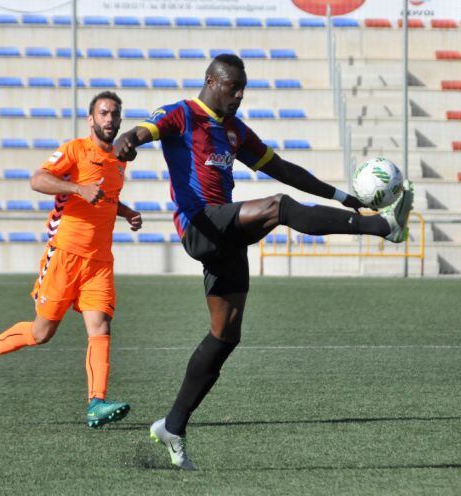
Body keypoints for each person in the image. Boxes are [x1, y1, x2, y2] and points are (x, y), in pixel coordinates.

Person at [113, 54, 413, 469]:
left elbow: (285, 169)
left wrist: (345, 197)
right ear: (211, 81)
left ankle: (174, 425)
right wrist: (128, 139)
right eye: (233, 87)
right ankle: (384, 228)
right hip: (201, 226)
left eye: (242, 89)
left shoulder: (233, 131)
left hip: (227, 237)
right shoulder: (183, 114)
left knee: (225, 335)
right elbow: (146, 129)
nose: (238, 95)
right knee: (278, 208)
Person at [0, 91, 142, 428]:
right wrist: (77, 188)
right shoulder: (75, 150)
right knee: (42, 332)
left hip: (99, 262)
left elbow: (105, 198)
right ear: (91, 119)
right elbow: (38, 179)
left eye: (114, 114)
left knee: (101, 326)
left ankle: (96, 403)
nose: (109, 120)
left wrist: (126, 211)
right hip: (65, 256)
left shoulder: (119, 161)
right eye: (103, 113)